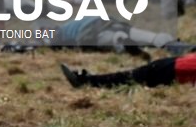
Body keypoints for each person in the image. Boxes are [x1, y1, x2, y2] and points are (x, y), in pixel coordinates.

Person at [60, 53, 196, 89]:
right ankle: (87, 80)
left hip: (175, 69)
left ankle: (86, 81)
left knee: (129, 78)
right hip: (177, 65)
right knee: (129, 77)